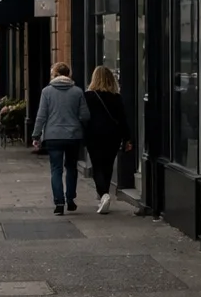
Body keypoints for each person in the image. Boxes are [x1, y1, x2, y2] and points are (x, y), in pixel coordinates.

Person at [32, 62, 90, 215]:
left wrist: (36, 135)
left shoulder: (47, 92)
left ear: (55, 75)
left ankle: (59, 203)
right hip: (73, 136)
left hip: (53, 136)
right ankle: (70, 199)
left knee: (56, 170)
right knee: (71, 168)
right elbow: (85, 115)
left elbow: (41, 116)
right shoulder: (77, 92)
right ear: (68, 74)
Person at [83, 66, 131, 215]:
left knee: (97, 165)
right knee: (108, 165)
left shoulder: (88, 96)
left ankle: (103, 194)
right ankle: (104, 193)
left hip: (94, 135)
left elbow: (83, 117)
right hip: (113, 135)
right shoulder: (116, 97)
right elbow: (123, 120)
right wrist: (127, 138)